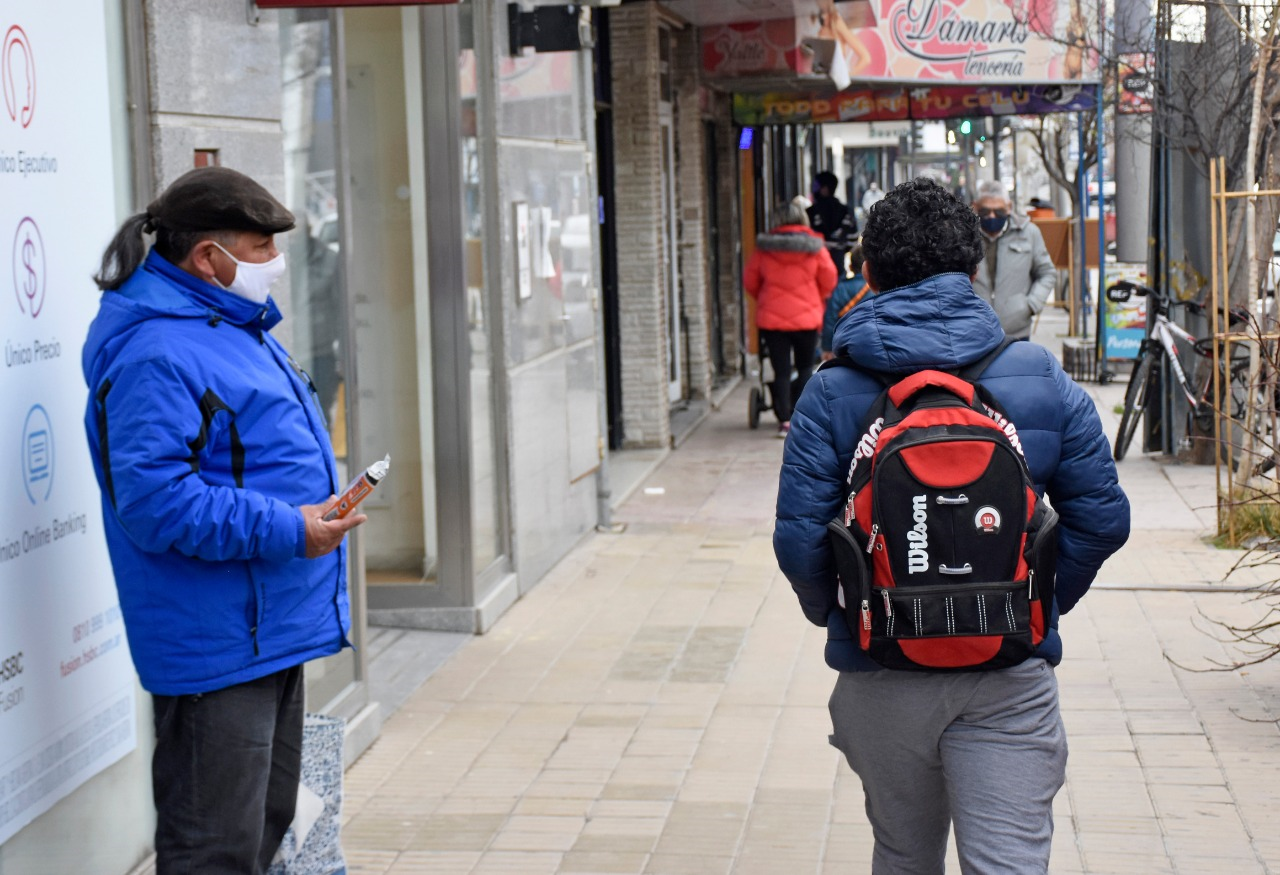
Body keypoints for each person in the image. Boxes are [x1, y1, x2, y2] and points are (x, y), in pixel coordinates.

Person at [774, 178, 1129, 873]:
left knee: (904, 855)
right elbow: (1104, 518)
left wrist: (845, 617)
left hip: (882, 669)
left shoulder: (831, 389)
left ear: (868, 273)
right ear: (974, 271)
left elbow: (799, 540)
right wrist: (1035, 605)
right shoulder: (1038, 376)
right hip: (1006, 672)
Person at [82, 166, 365, 875]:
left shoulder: (233, 326)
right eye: (261, 247)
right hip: (216, 642)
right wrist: (291, 528)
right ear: (209, 257)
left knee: (261, 831)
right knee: (214, 849)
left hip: (265, 625)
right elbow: (155, 502)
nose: (274, 263)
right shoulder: (156, 351)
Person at [745, 196, 839, 437]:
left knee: (781, 369)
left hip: (772, 320)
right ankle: (801, 415)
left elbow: (750, 281)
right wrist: (814, 297)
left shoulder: (764, 249)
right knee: (806, 366)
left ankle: (784, 419)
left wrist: (768, 299)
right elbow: (829, 280)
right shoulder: (815, 248)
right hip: (807, 318)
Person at [970, 178, 1057, 341]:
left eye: (998, 211)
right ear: (975, 207)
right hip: (975, 332)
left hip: (1016, 331)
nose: (991, 216)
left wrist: (1031, 305)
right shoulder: (963, 235)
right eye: (985, 211)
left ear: (1009, 207)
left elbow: (1047, 273)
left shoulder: (1029, 233)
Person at [820, 243, 872, 361]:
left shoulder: (841, 288)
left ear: (850, 266)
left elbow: (830, 320)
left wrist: (827, 347)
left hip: (845, 346)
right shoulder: (879, 286)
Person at [807, 170, 858, 271]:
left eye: (816, 186)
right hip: (839, 265)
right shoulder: (846, 211)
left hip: (814, 268)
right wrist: (839, 247)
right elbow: (853, 240)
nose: (813, 190)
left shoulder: (810, 213)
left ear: (825, 189)